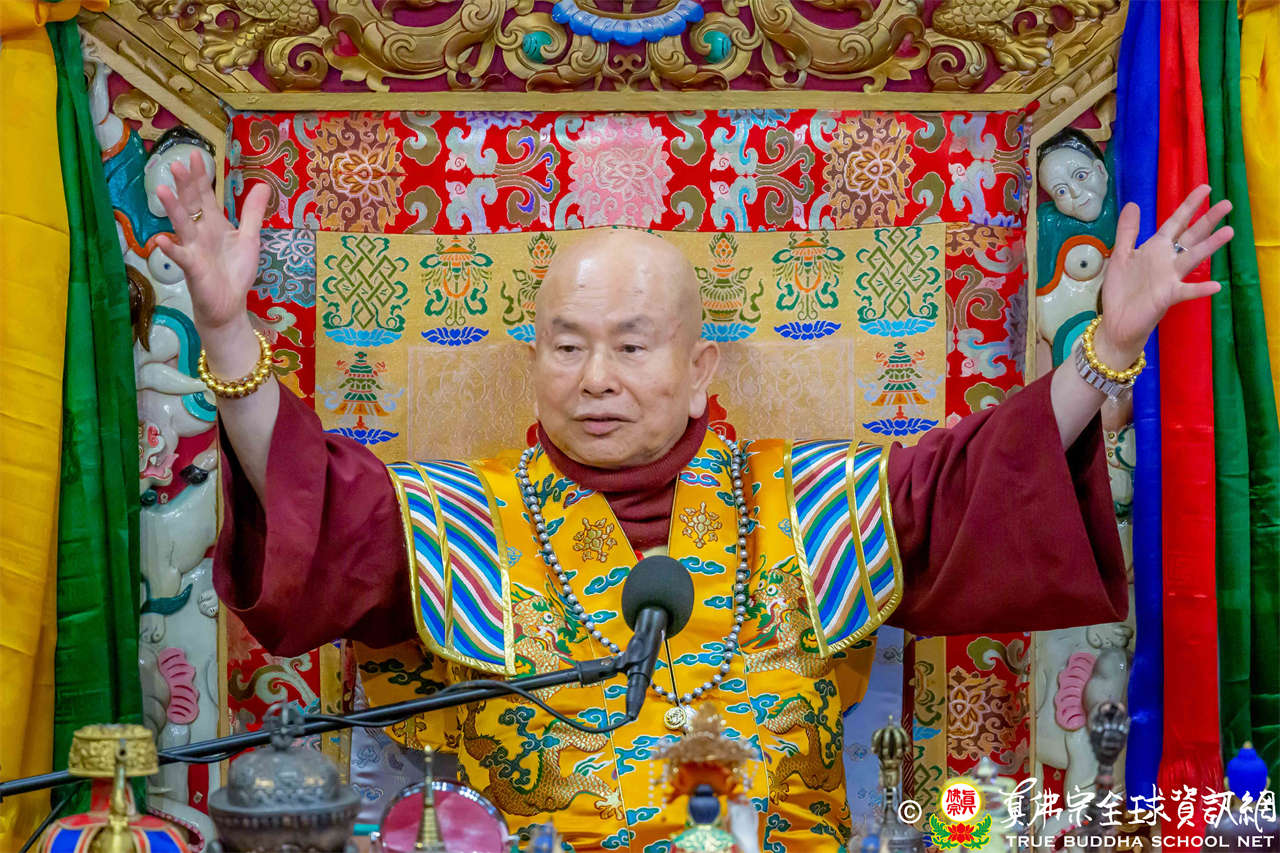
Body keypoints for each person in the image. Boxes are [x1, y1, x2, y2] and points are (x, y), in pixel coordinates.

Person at [154, 154, 1232, 851]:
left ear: (699, 368)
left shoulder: (816, 503)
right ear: (535, 363)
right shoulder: (452, 520)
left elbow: (980, 480)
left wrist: (1108, 345)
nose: (595, 379)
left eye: (631, 347)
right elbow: (312, 501)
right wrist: (227, 332)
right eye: (566, 347)